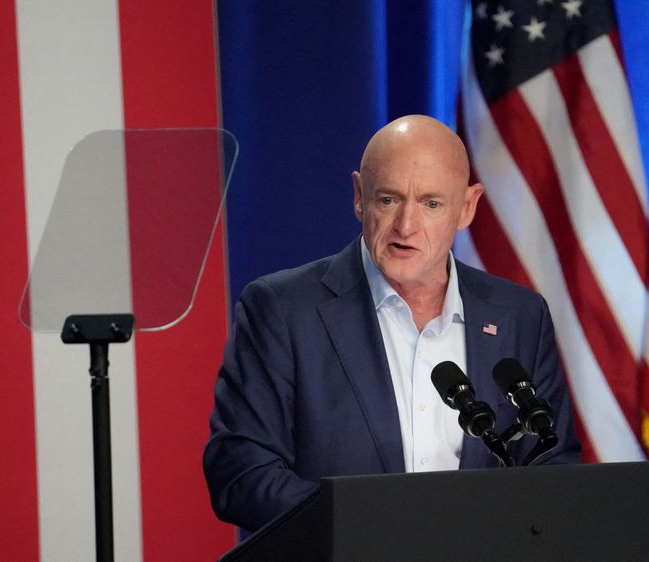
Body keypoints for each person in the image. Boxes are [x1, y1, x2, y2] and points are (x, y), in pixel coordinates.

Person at [203, 115, 581, 532]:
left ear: (467, 207)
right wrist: (378, 535)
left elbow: (555, 466)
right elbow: (241, 473)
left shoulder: (520, 316)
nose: (406, 226)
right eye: (388, 199)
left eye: (431, 203)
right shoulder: (282, 309)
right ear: (359, 196)